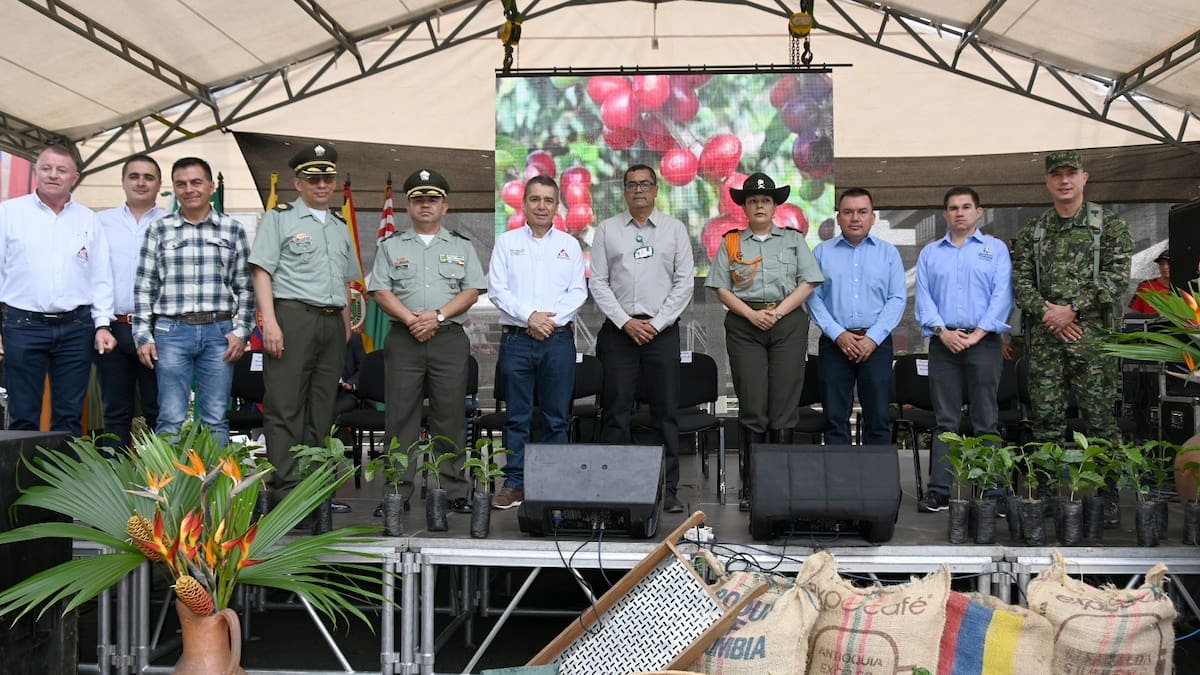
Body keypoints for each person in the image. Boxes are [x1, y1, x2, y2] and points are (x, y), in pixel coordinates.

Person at [1013, 150, 1132, 525]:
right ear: (1048, 182)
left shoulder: (1108, 226)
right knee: (1047, 419)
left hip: (1091, 338)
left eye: (1071, 174)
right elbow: (1020, 283)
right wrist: (1051, 313)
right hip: (1047, 339)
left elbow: (1116, 278)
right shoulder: (1034, 231)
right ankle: (1045, 493)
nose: (1064, 181)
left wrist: (1072, 309)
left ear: (1085, 177)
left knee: (1099, 420)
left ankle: (1108, 495)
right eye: (1056, 175)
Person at [368, 168, 485, 513]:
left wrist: (437, 316)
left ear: (444, 207)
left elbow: (472, 290)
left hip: (448, 338)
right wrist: (411, 319)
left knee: (449, 415)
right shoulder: (391, 246)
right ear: (408, 205)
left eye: (432, 200)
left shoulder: (461, 246)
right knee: (400, 417)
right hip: (404, 338)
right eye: (418, 199)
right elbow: (379, 289)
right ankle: (396, 492)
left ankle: (454, 492)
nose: (425, 205)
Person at [705, 172, 822, 511]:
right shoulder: (730, 242)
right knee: (753, 405)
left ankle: (780, 484)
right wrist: (752, 315)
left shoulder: (794, 240)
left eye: (765, 200)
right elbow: (721, 289)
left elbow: (808, 282)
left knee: (784, 406)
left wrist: (779, 313)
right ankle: (751, 485)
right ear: (744, 207)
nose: (759, 205)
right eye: (753, 200)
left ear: (774, 206)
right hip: (745, 325)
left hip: (787, 323)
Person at [249, 143, 357, 504]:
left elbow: (345, 282)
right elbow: (262, 271)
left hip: (331, 323)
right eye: (313, 179)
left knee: (322, 407)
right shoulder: (280, 219)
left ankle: (315, 488)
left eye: (327, 178)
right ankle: (287, 489)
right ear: (298, 182)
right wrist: (270, 323)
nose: (322, 185)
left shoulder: (341, 226)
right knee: (285, 406)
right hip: (292, 317)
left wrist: (344, 328)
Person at [590, 164, 694, 513]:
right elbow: (598, 283)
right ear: (624, 190)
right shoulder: (607, 230)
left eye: (645, 184)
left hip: (661, 333)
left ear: (656, 189)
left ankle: (669, 489)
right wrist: (624, 322)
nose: (638, 190)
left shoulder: (674, 230)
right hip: (619, 334)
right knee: (616, 410)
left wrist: (658, 323)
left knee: (665, 411)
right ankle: (615, 487)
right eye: (632, 184)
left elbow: (685, 283)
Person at [133, 157, 254, 447]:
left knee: (214, 418)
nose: (189, 189)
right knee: (170, 418)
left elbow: (246, 286)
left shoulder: (232, 229)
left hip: (219, 334)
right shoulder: (159, 230)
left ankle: (216, 492)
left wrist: (242, 332)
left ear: (211, 186)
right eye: (181, 184)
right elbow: (143, 286)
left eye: (196, 182)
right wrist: (142, 336)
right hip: (171, 333)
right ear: (174, 189)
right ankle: (170, 492)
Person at [0, 144, 117, 435]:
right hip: (21, 324)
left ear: (74, 177)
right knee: (23, 414)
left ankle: (64, 481)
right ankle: (20, 481)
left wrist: (102, 325)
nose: (53, 175)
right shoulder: (8, 213)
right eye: (47, 168)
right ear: (35, 171)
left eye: (61, 170)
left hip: (76, 327)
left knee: (69, 417)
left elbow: (101, 276)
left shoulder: (89, 219)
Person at [487, 175, 587, 509]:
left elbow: (578, 292)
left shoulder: (570, 245)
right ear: (524, 203)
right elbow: (498, 290)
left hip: (557, 341)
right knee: (517, 416)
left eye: (548, 200)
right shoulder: (506, 242)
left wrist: (549, 321)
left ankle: (553, 484)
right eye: (535, 199)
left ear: (557, 206)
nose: (541, 206)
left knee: (556, 417)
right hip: (516, 340)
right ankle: (514, 482)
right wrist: (530, 316)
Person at [914, 187, 1012, 513]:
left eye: (966, 207)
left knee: (986, 419)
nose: (959, 213)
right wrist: (942, 332)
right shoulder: (930, 253)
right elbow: (924, 298)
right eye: (953, 208)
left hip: (983, 343)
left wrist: (978, 333)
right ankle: (940, 491)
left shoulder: (995, 249)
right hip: (943, 345)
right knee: (946, 421)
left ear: (979, 212)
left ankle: (992, 492)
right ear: (945, 214)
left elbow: (1002, 295)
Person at [807, 188, 905, 446]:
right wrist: (838, 334)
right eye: (848, 212)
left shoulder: (888, 253)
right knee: (835, 420)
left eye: (862, 212)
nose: (855, 218)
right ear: (838, 217)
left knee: (879, 418)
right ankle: (840, 485)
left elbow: (897, 299)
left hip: (877, 344)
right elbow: (813, 297)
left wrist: (872, 338)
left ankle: (877, 486)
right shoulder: (821, 253)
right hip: (834, 343)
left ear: (873, 217)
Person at [96, 154, 168, 447]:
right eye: (134, 176)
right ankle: (114, 483)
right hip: (114, 328)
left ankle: (161, 485)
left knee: (158, 409)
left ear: (160, 184)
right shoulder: (100, 222)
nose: (141, 182)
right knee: (115, 411)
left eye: (149, 177)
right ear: (123, 181)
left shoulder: (172, 223)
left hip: (159, 330)